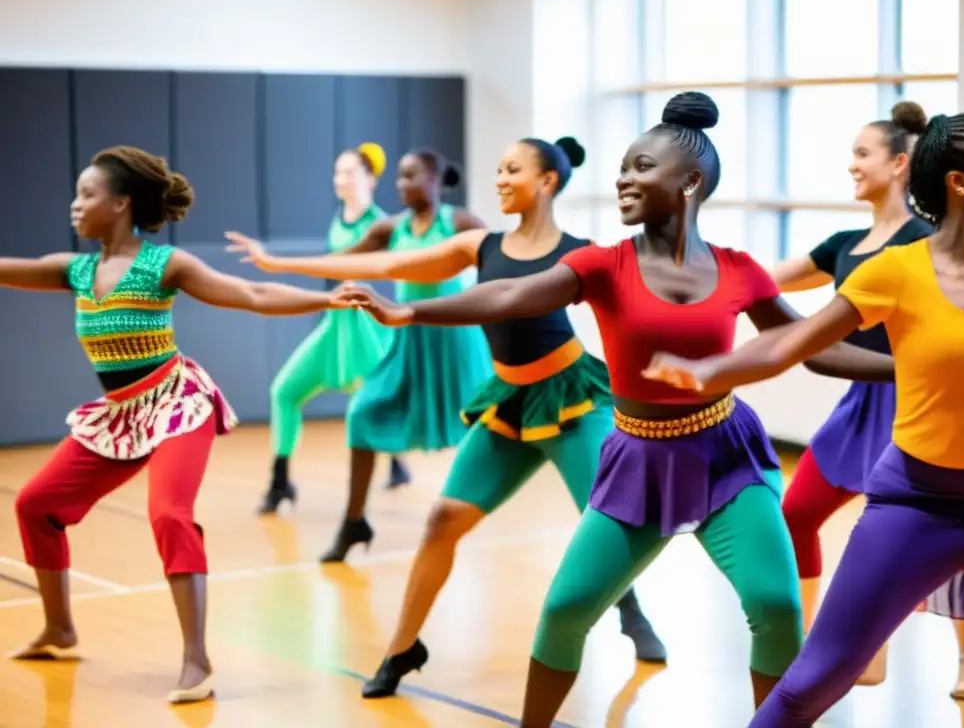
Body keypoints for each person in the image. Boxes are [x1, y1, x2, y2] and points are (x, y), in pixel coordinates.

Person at [334, 92, 898, 725]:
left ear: (687, 183)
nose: (623, 178)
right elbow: (510, 295)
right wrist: (412, 310)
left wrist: (907, 364)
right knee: (565, 610)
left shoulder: (741, 272)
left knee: (775, 602)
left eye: (640, 167)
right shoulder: (603, 265)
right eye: (623, 167)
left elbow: (812, 347)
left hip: (724, 455)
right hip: (638, 460)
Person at [232, 135, 668, 697]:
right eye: (499, 169)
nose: (500, 178)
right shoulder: (478, 244)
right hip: (509, 402)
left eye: (513, 169)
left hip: (571, 401)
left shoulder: (582, 252)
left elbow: (637, 316)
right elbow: (386, 259)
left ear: (547, 182)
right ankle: (402, 647)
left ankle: (632, 612)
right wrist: (278, 261)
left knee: (603, 518)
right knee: (442, 521)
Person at [643, 110, 964, 726]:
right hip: (918, 507)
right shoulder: (898, 271)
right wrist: (715, 369)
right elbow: (796, 342)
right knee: (812, 685)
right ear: (961, 184)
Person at [7, 146, 348, 703]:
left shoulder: (165, 265)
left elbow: (255, 294)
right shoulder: (77, 269)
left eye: (86, 195)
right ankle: (59, 627)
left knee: (169, 513)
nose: (74, 205)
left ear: (120, 204)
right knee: (35, 505)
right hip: (118, 416)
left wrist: (329, 299)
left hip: (174, 404)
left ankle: (197, 660)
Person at [772, 101, 964, 698]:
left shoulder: (923, 242)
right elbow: (773, 279)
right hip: (858, 408)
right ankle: (816, 638)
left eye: (861, 153)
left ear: (900, 164)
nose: (851, 165)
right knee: (797, 513)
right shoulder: (845, 243)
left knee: (951, 541)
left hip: (921, 406)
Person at [227, 149, 493, 562]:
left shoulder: (461, 223)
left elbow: (499, 273)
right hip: (408, 336)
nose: (403, 185)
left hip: (455, 338)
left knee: (491, 427)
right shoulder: (391, 228)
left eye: (412, 177)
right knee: (363, 415)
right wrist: (275, 262)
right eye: (400, 178)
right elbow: (340, 263)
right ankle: (355, 522)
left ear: (436, 179)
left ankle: (481, 508)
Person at [258, 143, 410, 516]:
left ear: (370, 180)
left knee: (374, 400)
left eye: (349, 172)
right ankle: (280, 480)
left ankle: (394, 464)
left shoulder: (383, 224)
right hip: (335, 323)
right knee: (284, 391)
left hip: (366, 325)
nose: (340, 180)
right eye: (337, 172)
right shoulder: (338, 216)